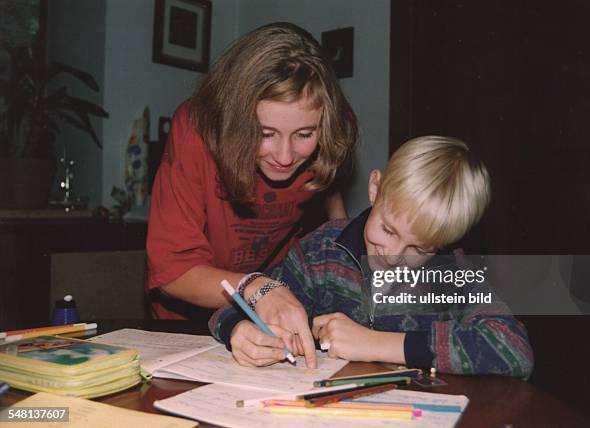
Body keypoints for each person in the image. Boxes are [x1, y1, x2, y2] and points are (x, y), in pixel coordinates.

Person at [209, 136, 534, 377]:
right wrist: (239, 331)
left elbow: (512, 349)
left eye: (419, 249)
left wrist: (376, 343)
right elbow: (227, 311)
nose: (393, 256)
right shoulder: (322, 250)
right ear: (375, 188)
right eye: (388, 230)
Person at [146, 22, 358, 367]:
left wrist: (347, 247)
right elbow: (172, 271)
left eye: (304, 134)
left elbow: (331, 189)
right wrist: (258, 287)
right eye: (265, 134)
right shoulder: (197, 130)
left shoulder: (332, 127)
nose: (286, 157)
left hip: (277, 310)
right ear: (235, 121)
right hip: (187, 321)